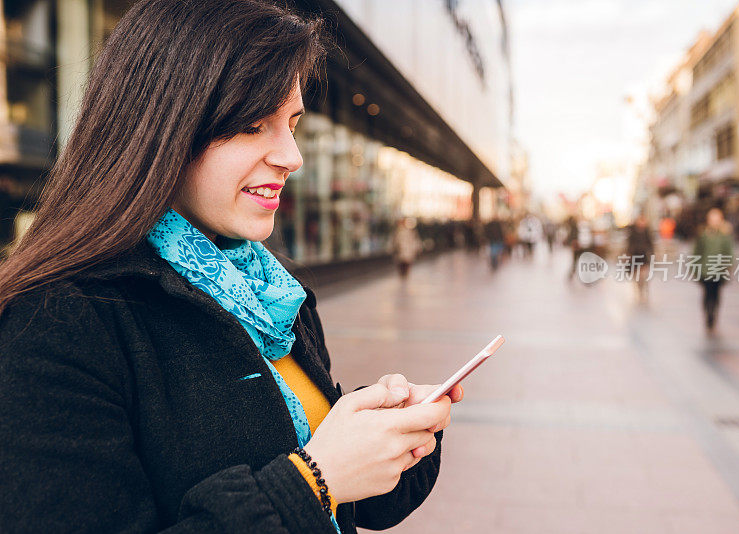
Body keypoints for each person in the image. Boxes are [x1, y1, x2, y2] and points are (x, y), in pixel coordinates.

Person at [0, 2, 462, 532]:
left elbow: (346, 502)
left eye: (291, 125)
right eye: (252, 125)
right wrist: (314, 480)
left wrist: (382, 433)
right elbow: (315, 486)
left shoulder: (272, 296)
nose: (292, 156)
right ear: (161, 128)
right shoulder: (56, 325)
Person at [692, 208, 734, 332]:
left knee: (716, 295)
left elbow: (729, 253)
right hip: (705, 270)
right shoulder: (703, 234)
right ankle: (708, 314)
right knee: (706, 294)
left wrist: (728, 267)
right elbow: (697, 252)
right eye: (712, 219)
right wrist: (694, 268)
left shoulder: (725, 235)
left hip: (719, 271)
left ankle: (713, 314)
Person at [626, 213, 654, 304]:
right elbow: (629, 245)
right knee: (637, 277)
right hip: (634, 257)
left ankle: (644, 291)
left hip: (644, 257)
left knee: (644, 276)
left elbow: (650, 244)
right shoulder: (632, 232)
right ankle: (639, 291)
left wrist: (652, 254)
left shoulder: (647, 232)